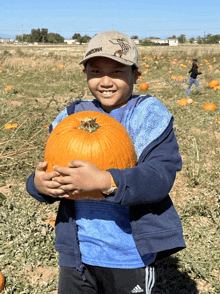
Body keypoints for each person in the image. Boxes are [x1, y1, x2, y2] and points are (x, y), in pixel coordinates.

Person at [26, 31, 186, 294]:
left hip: (129, 255)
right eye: (96, 71)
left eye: (117, 71)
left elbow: (159, 177)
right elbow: (50, 167)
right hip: (77, 255)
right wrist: (38, 185)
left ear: (135, 75)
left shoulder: (148, 116)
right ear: (86, 73)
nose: (105, 81)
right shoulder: (71, 116)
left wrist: (105, 181)